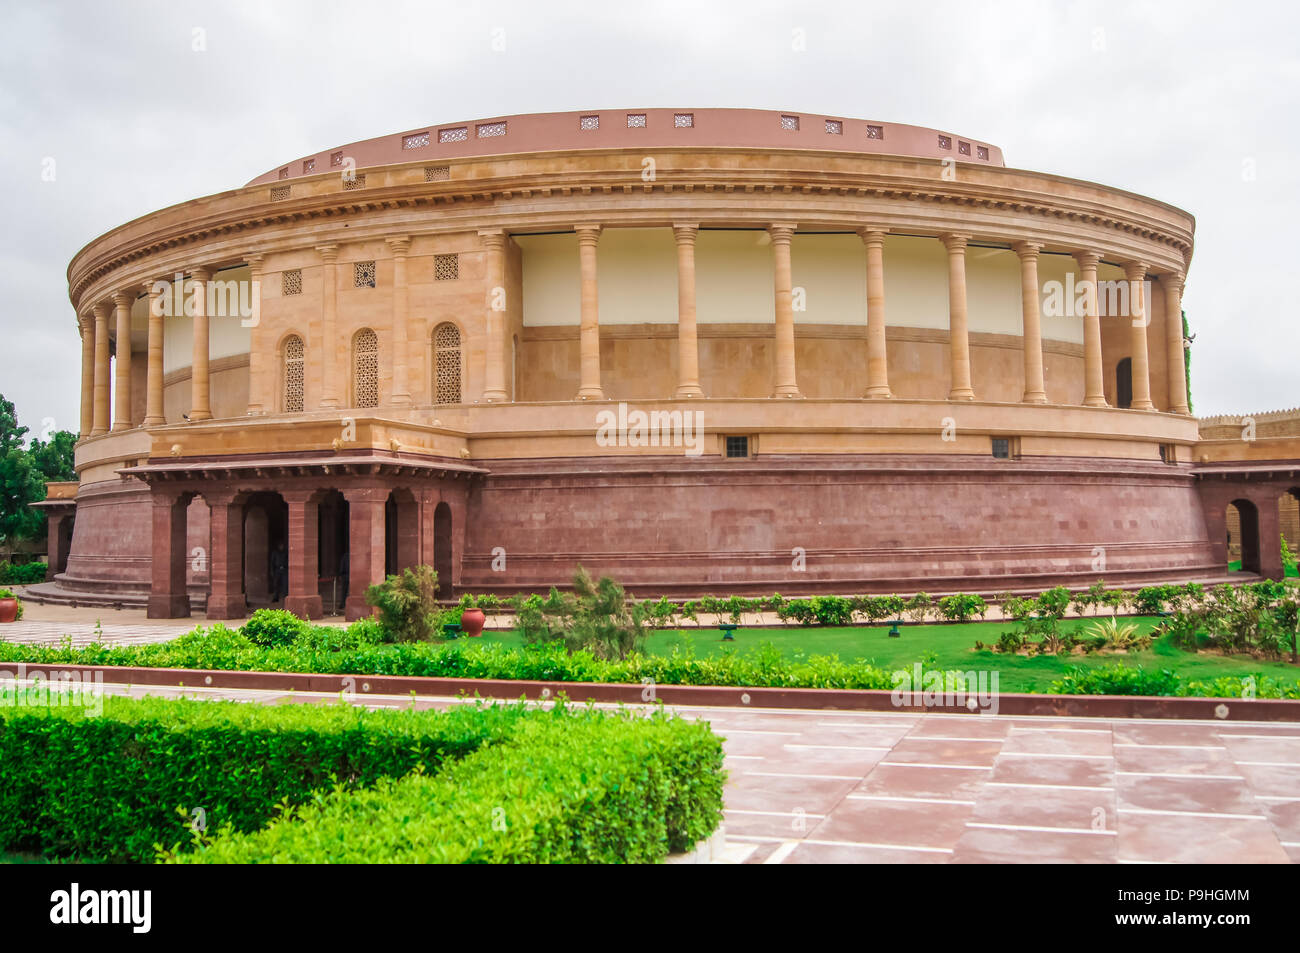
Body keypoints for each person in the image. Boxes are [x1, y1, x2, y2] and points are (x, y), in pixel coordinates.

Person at [269, 540, 288, 604]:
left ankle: (285, 597)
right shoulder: (275, 553)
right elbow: (272, 562)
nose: (281, 547)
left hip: (284, 569)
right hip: (277, 570)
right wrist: (272, 571)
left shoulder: (285, 552)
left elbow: (288, 560)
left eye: (282, 545)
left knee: (285, 584)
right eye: (280, 546)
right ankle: (275, 597)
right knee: (276, 584)